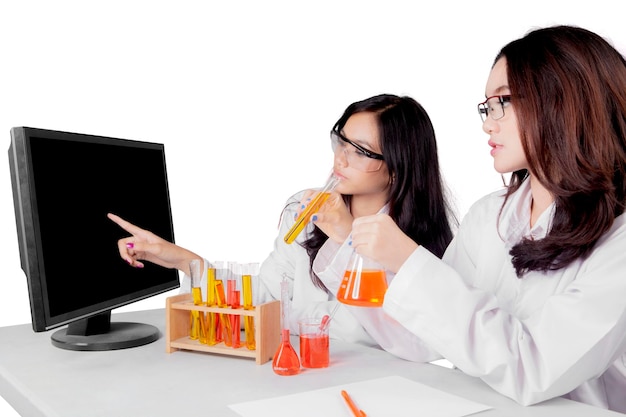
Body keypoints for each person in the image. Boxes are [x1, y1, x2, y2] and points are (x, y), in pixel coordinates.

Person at [314, 26, 626, 412]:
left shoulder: (619, 239)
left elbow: (534, 369)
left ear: (564, 101)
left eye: (503, 102)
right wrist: (356, 253)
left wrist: (409, 261)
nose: (487, 123)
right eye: (486, 106)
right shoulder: (488, 216)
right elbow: (420, 338)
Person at [108, 93, 456, 345]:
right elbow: (268, 296)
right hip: (302, 377)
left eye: (360, 151)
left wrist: (346, 237)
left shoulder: (419, 244)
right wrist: (183, 259)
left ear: (399, 167)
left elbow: (400, 336)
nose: (341, 159)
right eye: (341, 142)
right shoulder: (305, 215)